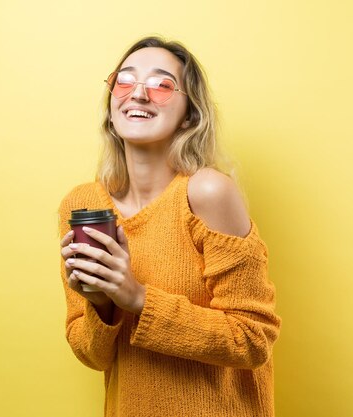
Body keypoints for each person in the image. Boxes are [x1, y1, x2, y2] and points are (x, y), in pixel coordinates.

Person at [58, 36, 282, 417]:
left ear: (190, 114)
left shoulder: (207, 193)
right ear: (112, 108)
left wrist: (137, 298)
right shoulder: (83, 206)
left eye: (162, 85)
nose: (139, 94)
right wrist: (102, 305)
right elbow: (93, 356)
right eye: (125, 82)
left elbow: (253, 338)